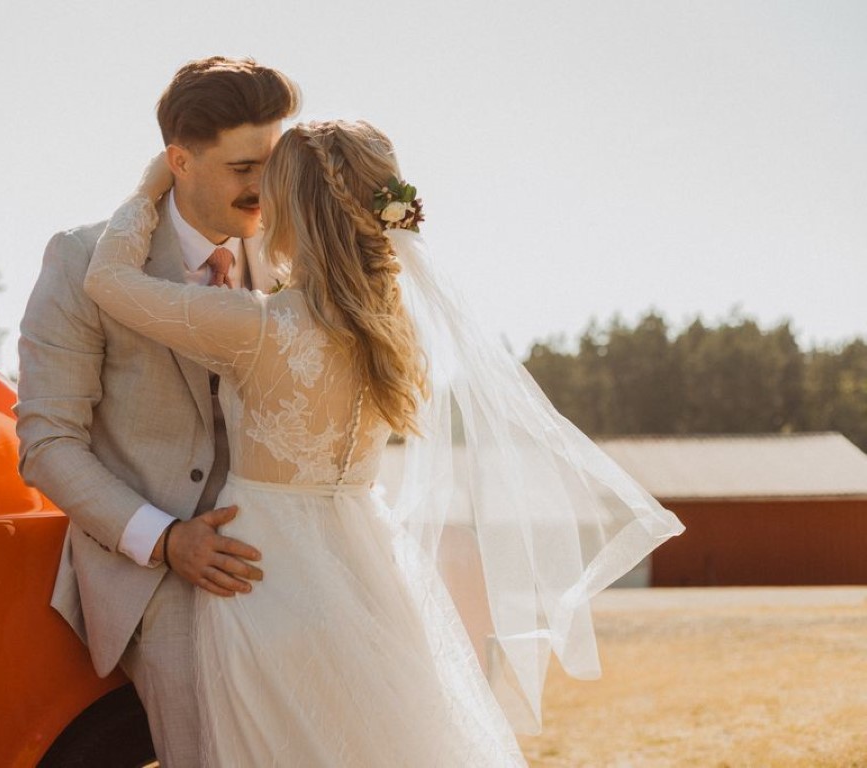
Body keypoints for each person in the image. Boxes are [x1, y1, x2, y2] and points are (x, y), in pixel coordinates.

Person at [83, 120, 685, 766]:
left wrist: (151, 184)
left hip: (262, 582)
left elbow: (106, 281)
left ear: (292, 210)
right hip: (369, 575)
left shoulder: (257, 327)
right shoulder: (393, 331)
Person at [14, 56, 300, 766]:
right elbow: (47, 441)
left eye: (274, 163)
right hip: (155, 573)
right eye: (243, 167)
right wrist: (168, 540)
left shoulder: (290, 257)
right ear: (179, 161)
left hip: (287, 556)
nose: (265, 186)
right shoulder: (82, 259)